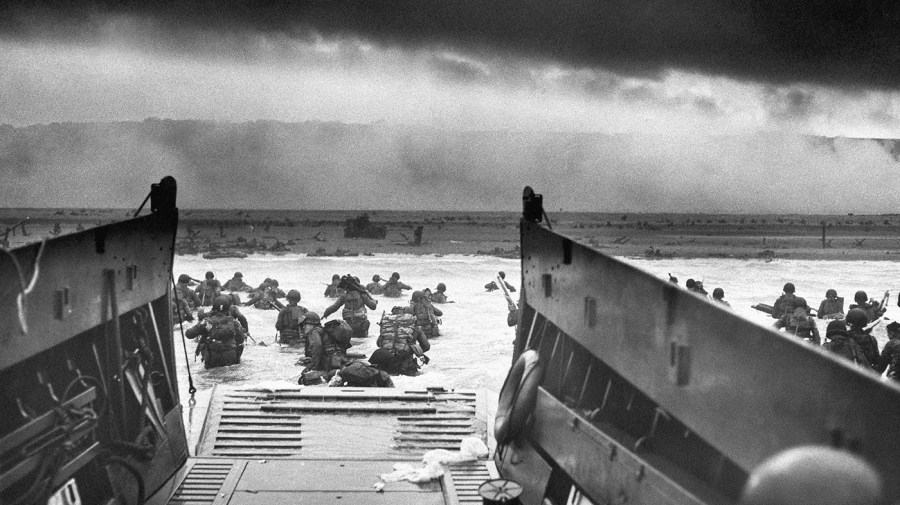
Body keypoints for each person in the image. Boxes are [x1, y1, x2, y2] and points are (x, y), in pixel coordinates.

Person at [186, 295, 245, 369]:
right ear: (228, 308)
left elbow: (189, 334)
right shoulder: (234, 322)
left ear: (214, 308)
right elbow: (241, 340)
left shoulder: (206, 322)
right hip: (231, 357)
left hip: (212, 358)